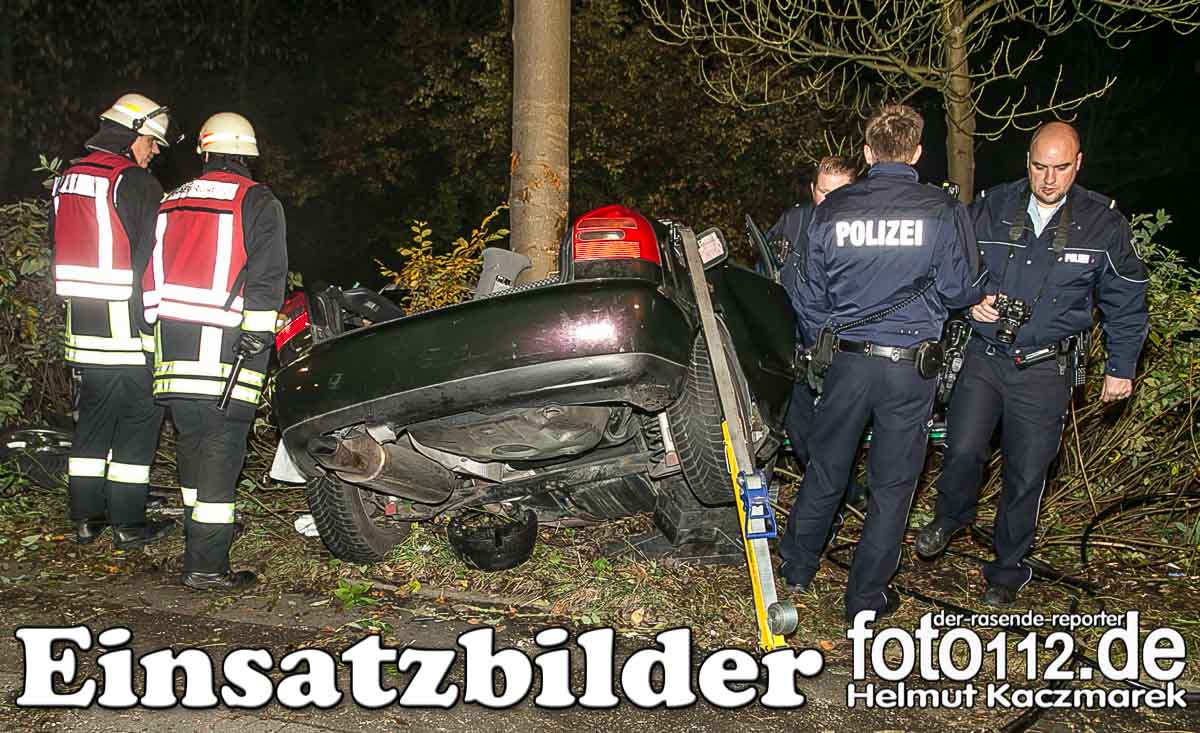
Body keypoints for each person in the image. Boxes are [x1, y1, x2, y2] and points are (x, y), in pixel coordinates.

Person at [914, 122, 1149, 606]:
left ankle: (1006, 568)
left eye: (1060, 168)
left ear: (1077, 164)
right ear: (1028, 161)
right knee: (961, 450)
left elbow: (1127, 300)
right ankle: (951, 517)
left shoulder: (1102, 223)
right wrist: (970, 300)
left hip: (1045, 368)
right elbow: (951, 265)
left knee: (1026, 474)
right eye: (1040, 167)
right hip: (984, 356)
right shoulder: (993, 206)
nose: (1048, 179)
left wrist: (1121, 367)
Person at [778, 104, 983, 622]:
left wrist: (829, 337)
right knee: (892, 488)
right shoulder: (941, 210)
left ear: (868, 153)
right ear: (917, 153)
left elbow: (809, 293)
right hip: (909, 368)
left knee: (826, 467)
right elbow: (960, 289)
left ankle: (797, 568)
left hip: (847, 362)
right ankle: (865, 598)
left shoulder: (833, 209)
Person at [143, 112, 288, 590]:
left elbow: (148, 273)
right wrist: (259, 335)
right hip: (229, 350)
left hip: (173, 347)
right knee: (222, 453)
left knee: (191, 445)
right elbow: (267, 277)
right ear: (248, 155)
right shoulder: (256, 200)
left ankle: (199, 537)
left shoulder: (170, 200)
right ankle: (206, 566)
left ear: (205, 152)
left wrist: (153, 330)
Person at [50, 93, 177, 549]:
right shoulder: (135, 182)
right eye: (151, 141)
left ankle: (87, 518)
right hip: (127, 322)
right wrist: (155, 322)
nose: (154, 151)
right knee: (142, 417)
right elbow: (151, 258)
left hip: (82, 323)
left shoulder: (67, 179)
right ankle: (128, 521)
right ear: (131, 135)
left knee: (94, 418)